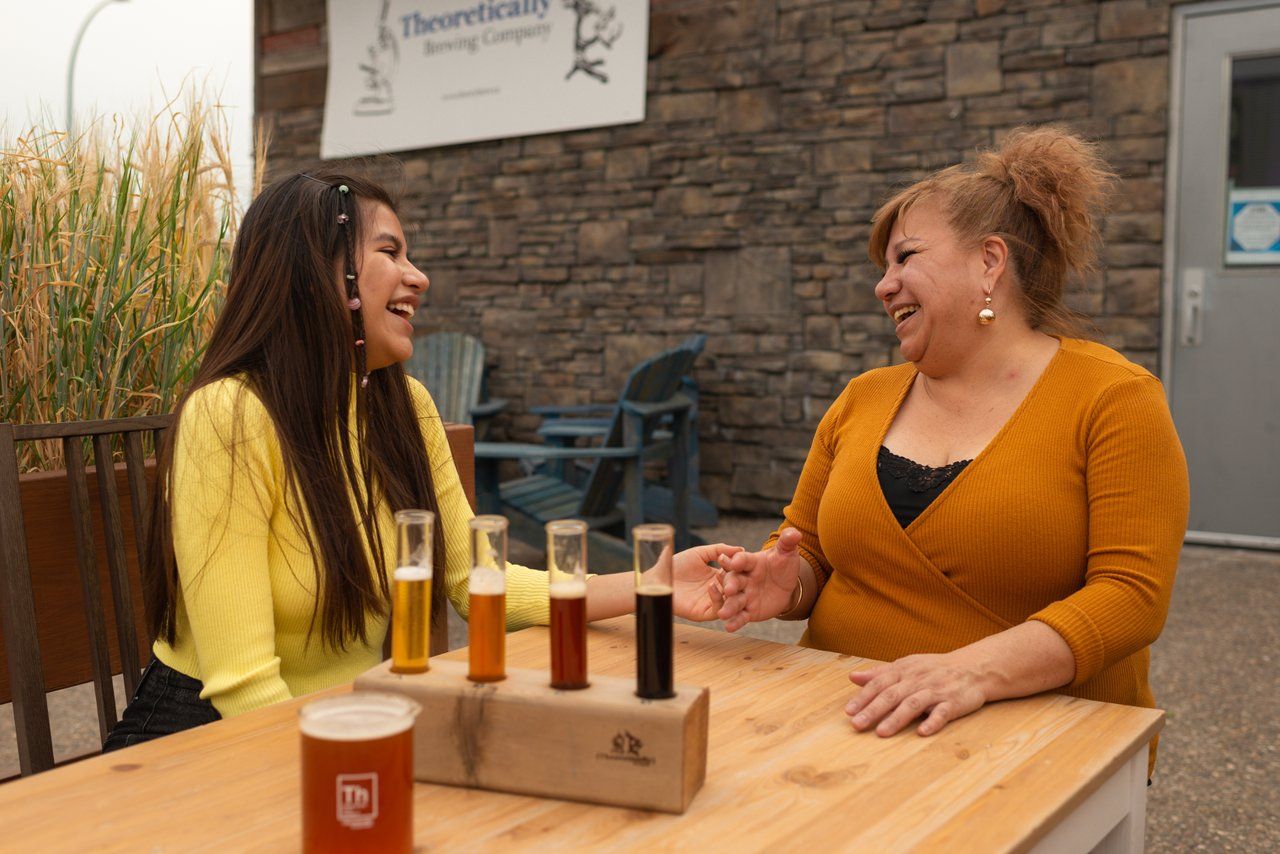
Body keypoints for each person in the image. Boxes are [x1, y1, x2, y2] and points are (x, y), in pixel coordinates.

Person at [103, 170, 733, 750]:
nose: (419, 276)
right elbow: (242, 687)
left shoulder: (404, 406)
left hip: (338, 723)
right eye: (390, 252)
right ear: (313, 272)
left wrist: (654, 582)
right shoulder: (230, 416)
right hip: (206, 742)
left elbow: (473, 581)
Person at [715, 126, 1188, 776]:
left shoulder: (1114, 398)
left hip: (1034, 743)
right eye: (882, 268)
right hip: (839, 723)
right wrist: (785, 582)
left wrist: (971, 673)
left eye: (905, 257)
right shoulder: (861, 398)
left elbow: (1131, 595)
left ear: (989, 262)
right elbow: (811, 551)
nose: (884, 286)